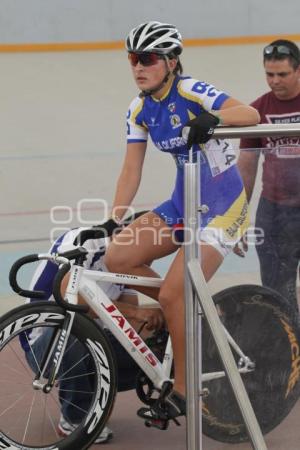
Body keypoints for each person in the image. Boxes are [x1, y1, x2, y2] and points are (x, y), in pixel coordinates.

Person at [104, 21, 260, 422]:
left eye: (148, 59)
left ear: (171, 62)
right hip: (183, 201)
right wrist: (114, 218)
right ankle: (186, 309)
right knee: (117, 257)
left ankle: (185, 390)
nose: (138, 67)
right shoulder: (139, 108)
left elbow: (249, 113)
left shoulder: (191, 90)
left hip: (222, 206)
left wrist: (216, 120)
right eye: (132, 59)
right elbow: (130, 171)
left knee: (174, 294)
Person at [24, 215, 165, 444]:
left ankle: (98, 397)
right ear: (125, 235)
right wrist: (138, 313)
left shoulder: (131, 260)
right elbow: (73, 301)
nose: (147, 259)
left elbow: (130, 323)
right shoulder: (83, 241)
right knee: (75, 329)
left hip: (94, 342)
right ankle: (75, 419)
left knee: (155, 345)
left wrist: (160, 326)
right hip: (46, 344)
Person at [238, 39, 300, 311]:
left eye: (282, 74)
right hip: (275, 213)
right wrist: (238, 218)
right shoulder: (257, 112)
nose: (274, 81)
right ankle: (291, 349)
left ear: (298, 71)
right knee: (278, 293)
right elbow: (246, 168)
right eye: (269, 74)